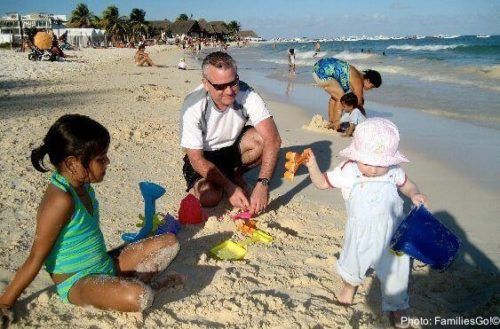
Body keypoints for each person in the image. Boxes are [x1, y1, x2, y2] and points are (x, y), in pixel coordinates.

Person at [0, 114, 181, 324]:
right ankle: (124, 288)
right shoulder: (60, 200)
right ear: (72, 163)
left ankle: (114, 286)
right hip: (78, 281)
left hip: (103, 263)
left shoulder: (82, 185)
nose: (108, 162)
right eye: (100, 158)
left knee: (169, 242)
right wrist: (5, 302)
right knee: (140, 296)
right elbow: (36, 257)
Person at [303, 118, 428, 328]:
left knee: (396, 273)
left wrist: (414, 194)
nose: (372, 169)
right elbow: (322, 183)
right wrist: (312, 166)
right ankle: (349, 287)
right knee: (352, 264)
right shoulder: (349, 170)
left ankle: (397, 305)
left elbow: (407, 185)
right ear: (356, 156)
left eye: (380, 163)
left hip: (392, 235)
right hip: (359, 233)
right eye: (367, 162)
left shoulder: (393, 171)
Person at [180, 51, 281, 215]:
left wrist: (263, 184)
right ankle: (226, 181)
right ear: (206, 84)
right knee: (210, 197)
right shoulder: (193, 105)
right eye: (220, 86)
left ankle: (234, 175)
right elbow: (196, 159)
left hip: (233, 149)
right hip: (206, 156)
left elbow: (273, 139)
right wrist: (230, 188)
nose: (229, 91)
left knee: (261, 139)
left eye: (233, 83)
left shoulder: (247, 94)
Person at [312, 57, 381, 130]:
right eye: (372, 86)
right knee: (341, 98)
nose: (370, 89)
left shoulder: (351, 78)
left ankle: (332, 122)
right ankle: (336, 125)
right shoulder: (358, 81)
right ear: (368, 80)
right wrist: (365, 120)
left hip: (318, 68)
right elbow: (359, 103)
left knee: (336, 97)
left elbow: (334, 100)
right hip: (323, 71)